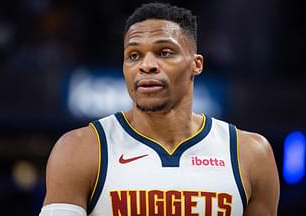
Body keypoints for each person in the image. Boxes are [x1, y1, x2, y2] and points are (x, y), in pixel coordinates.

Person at [39, 2, 280, 216]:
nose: (147, 65)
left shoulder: (249, 154)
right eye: (133, 55)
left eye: (164, 52)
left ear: (196, 64)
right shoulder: (80, 150)